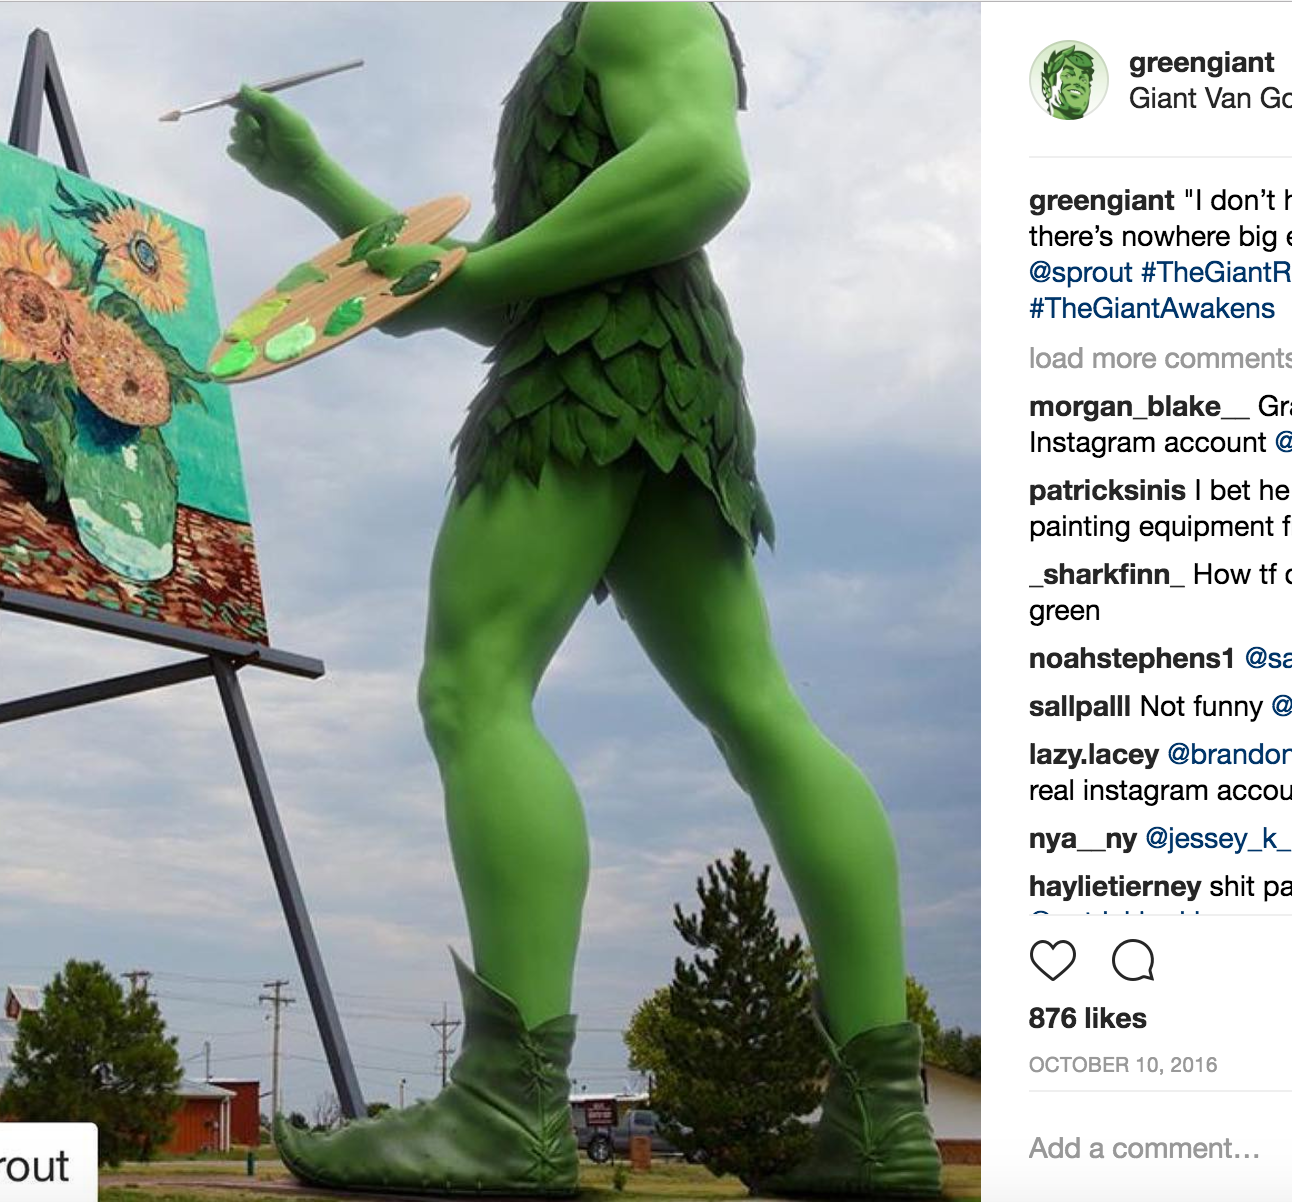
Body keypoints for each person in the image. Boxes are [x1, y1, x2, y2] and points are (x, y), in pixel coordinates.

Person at [228, 3, 940, 1195]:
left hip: (585, 381)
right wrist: (313, 178)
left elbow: (701, 170)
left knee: (475, 688)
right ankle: (882, 1122)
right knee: (760, 711)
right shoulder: (593, 41)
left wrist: (488, 269)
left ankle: (506, 1108)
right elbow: (481, 297)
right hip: (669, 381)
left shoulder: (634, 7)